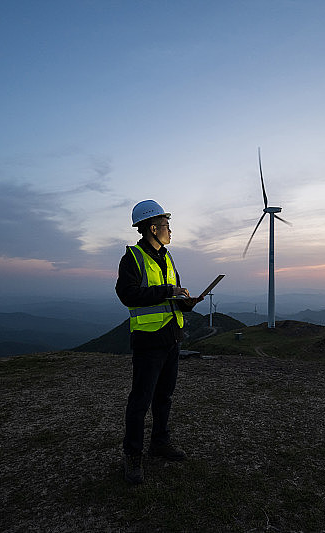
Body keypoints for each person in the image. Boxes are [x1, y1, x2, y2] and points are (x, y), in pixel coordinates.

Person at [115, 199, 203, 485]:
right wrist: (168, 291)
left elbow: (170, 298)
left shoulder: (167, 256)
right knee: (140, 401)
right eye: (166, 225)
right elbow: (128, 295)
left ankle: (160, 442)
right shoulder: (132, 258)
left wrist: (185, 302)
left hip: (171, 338)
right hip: (148, 341)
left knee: (164, 397)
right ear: (152, 228)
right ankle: (133, 456)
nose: (170, 229)